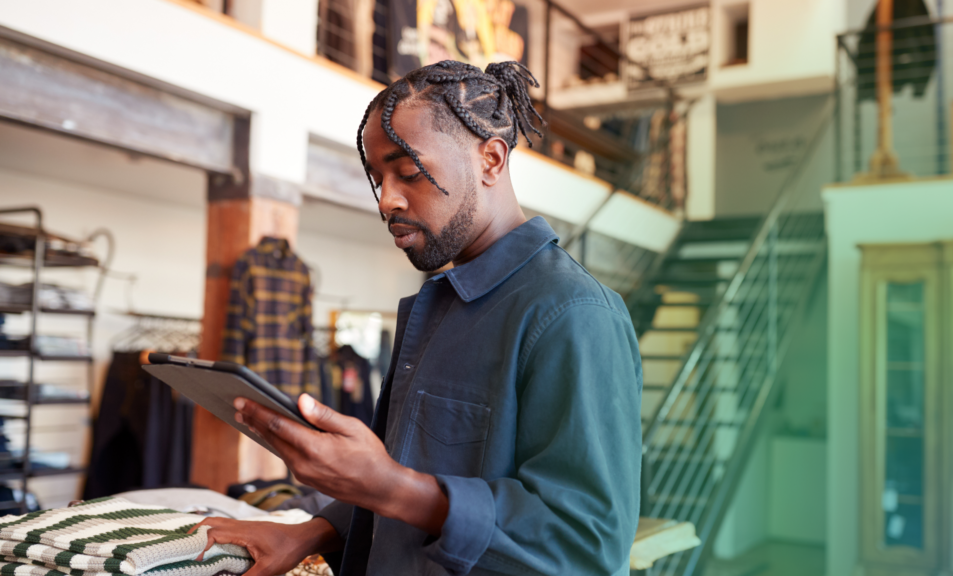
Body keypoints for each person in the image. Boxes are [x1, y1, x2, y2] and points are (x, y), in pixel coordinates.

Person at [194, 60, 642, 576]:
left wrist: (388, 485)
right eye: (377, 177)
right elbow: (421, 477)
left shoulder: (574, 314)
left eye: (408, 172)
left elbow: (585, 544)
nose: (387, 200)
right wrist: (310, 531)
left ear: (491, 160)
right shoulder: (442, 302)